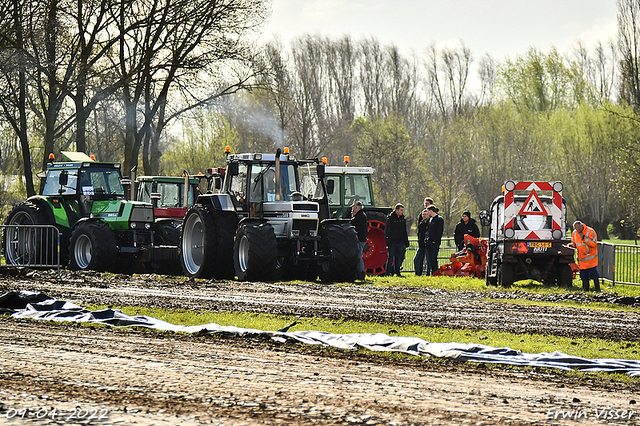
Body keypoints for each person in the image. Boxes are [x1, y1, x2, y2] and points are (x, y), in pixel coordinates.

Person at [569, 220, 600, 291]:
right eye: (576, 229)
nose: (578, 231)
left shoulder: (590, 231)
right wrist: (571, 246)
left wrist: (584, 238)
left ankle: (597, 289)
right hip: (582, 259)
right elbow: (574, 243)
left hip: (591, 259)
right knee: (584, 276)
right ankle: (585, 290)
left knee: (594, 275)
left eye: (579, 229)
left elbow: (593, 244)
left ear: (582, 226)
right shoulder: (574, 233)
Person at [385, 203, 409, 277]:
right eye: (401, 210)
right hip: (392, 242)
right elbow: (387, 231)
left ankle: (397, 272)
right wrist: (388, 241)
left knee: (398, 258)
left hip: (400, 242)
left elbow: (404, 231)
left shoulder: (402, 219)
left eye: (403, 210)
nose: (402, 212)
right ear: (396, 210)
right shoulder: (390, 219)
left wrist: (406, 241)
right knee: (390, 258)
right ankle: (388, 273)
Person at [350, 201, 368, 280]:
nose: (353, 209)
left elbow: (352, 223)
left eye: (353, 208)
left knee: (359, 256)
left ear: (356, 208)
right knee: (359, 256)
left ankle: (361, 273)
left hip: (360, 239)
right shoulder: (362, 215)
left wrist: (352, 216)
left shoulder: (359, 216)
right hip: (362, 239)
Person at [425, 205, 444, 275]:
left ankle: (435, 272)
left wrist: (435, 241)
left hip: (434, 243)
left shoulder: (439, 219)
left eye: (428, 211)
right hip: (429, 242)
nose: (427, 213)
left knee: (434, 258)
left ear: (431, 211)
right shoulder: (430, 219)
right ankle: (432, 272)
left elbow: (439, 231)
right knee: (430, 259)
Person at [413, 209, 429, 275]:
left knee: (429, 261)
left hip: (428, 245)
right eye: (423, 214)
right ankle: (418, 273)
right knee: (416, 259)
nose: (424, 216)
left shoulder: (430, 224)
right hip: (421, 245)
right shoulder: (421, 224)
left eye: (425, 214)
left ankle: (428, 274)